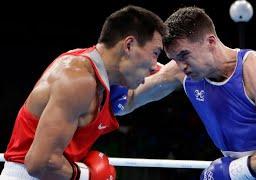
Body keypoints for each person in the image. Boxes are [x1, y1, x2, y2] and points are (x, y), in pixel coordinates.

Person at [115, 6, 256, 179]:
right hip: (240, 171)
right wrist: (108, 75)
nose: (181, 65)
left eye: (184, 55)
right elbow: (127, 101)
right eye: (174, 58)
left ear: (210, 41)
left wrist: (234, 172)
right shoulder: (181, 71)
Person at [0, 5, 167, 180]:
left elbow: (159, 80)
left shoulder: (101, 79)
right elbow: (39, 163)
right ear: (129, 45)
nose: (154, 64)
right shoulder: (78, 79)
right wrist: (88, 174)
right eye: (155, 53)